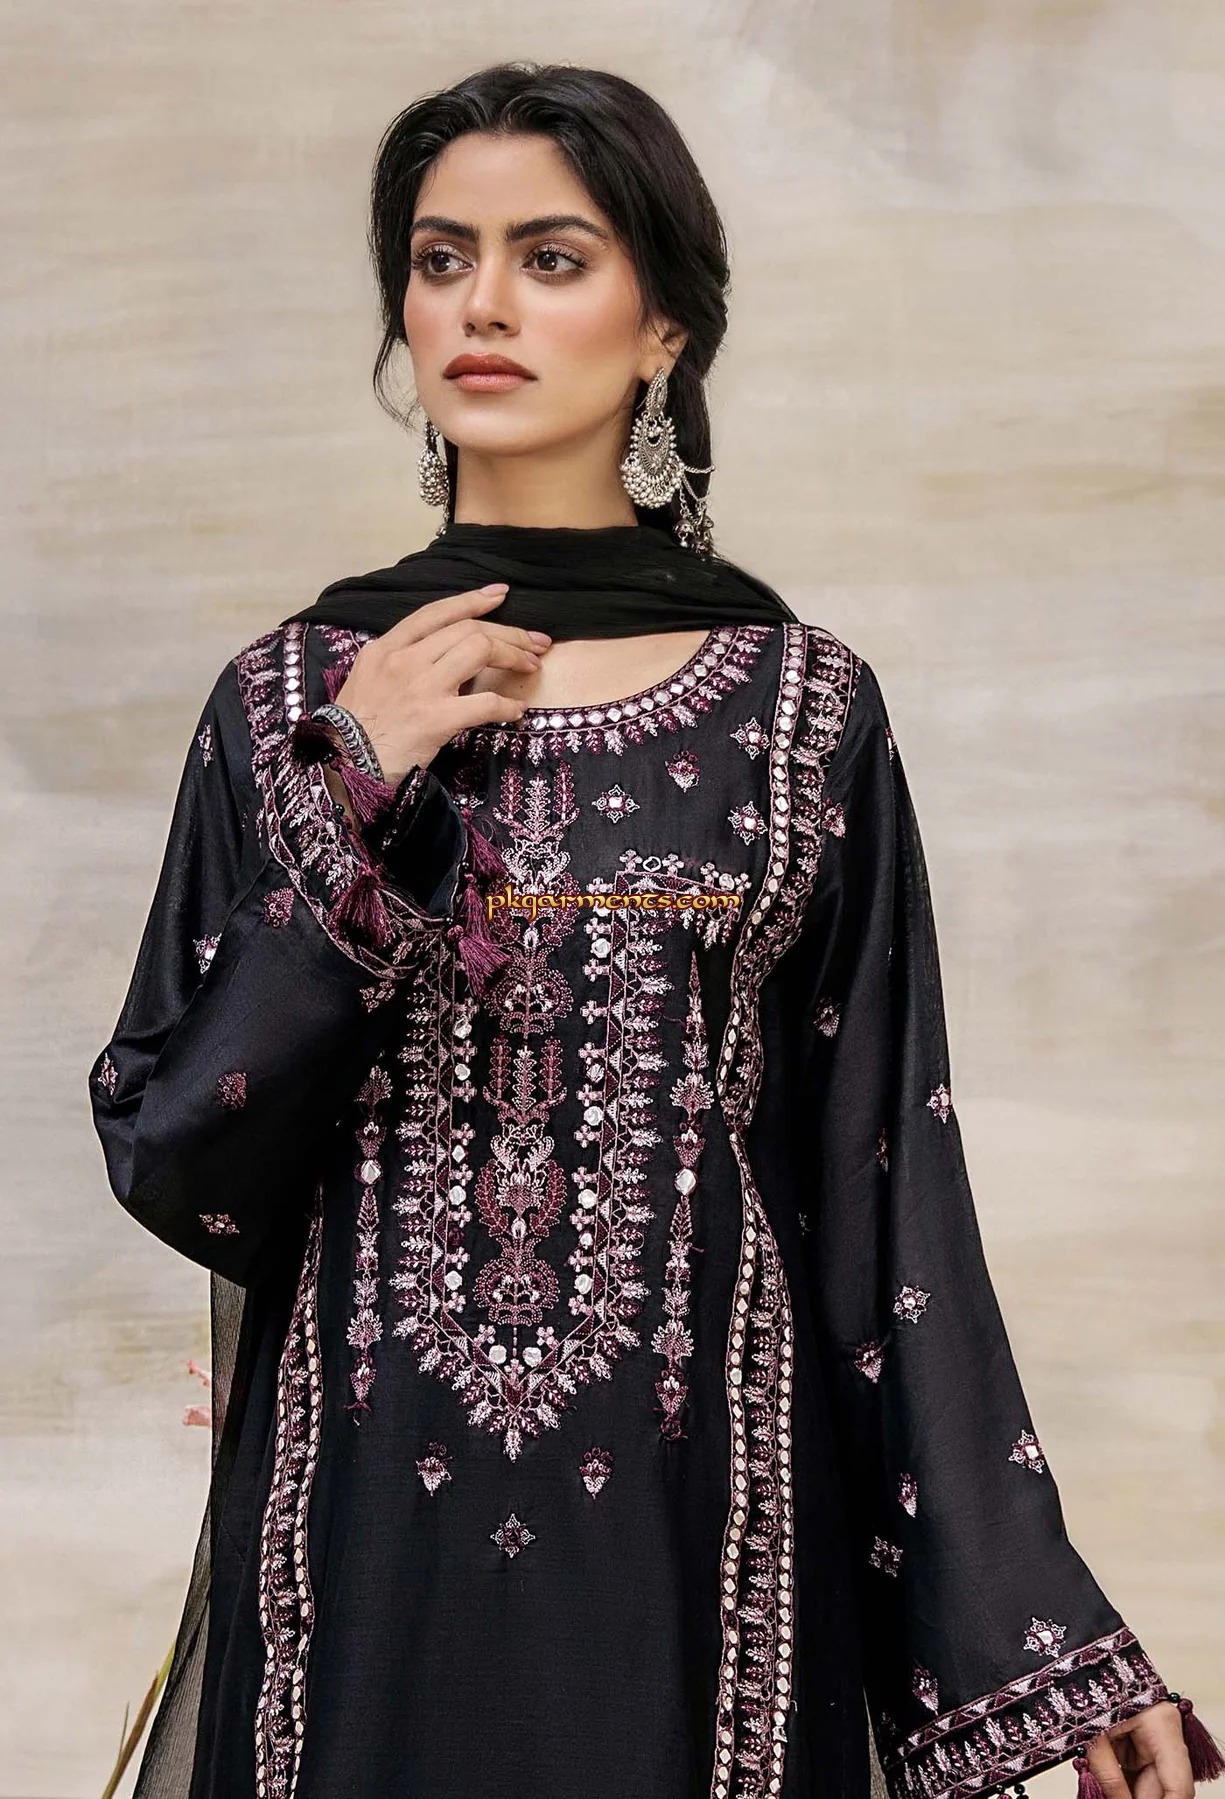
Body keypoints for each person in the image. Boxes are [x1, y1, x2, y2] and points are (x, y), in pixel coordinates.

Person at [88, 60, 1221, 1799]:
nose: (481, 304)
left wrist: (1042, 1636)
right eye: (440, 259)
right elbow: (183, 1156)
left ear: (664, 329)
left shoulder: (800, 710)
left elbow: (885, 1196)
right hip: (356, 1550)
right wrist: (357, 791)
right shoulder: (294, 701)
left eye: (549, 258)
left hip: (707, 1546)